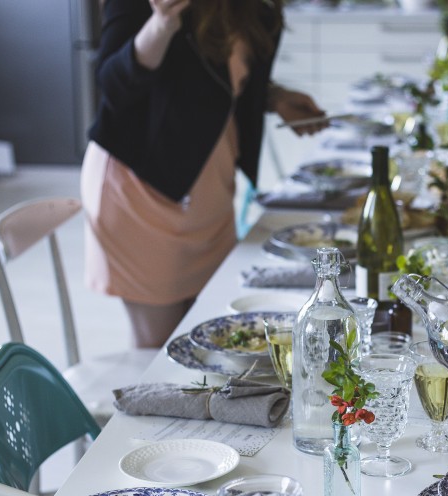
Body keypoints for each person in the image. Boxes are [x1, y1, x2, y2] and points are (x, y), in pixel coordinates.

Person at [82, 0, 327, 348]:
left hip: (209, 191)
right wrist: (161, 25)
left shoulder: (258, 8)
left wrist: (274, 98)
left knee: (217, 335)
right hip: (140, 188)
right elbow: (113, 84)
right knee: (165, 350)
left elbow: (221, 79)